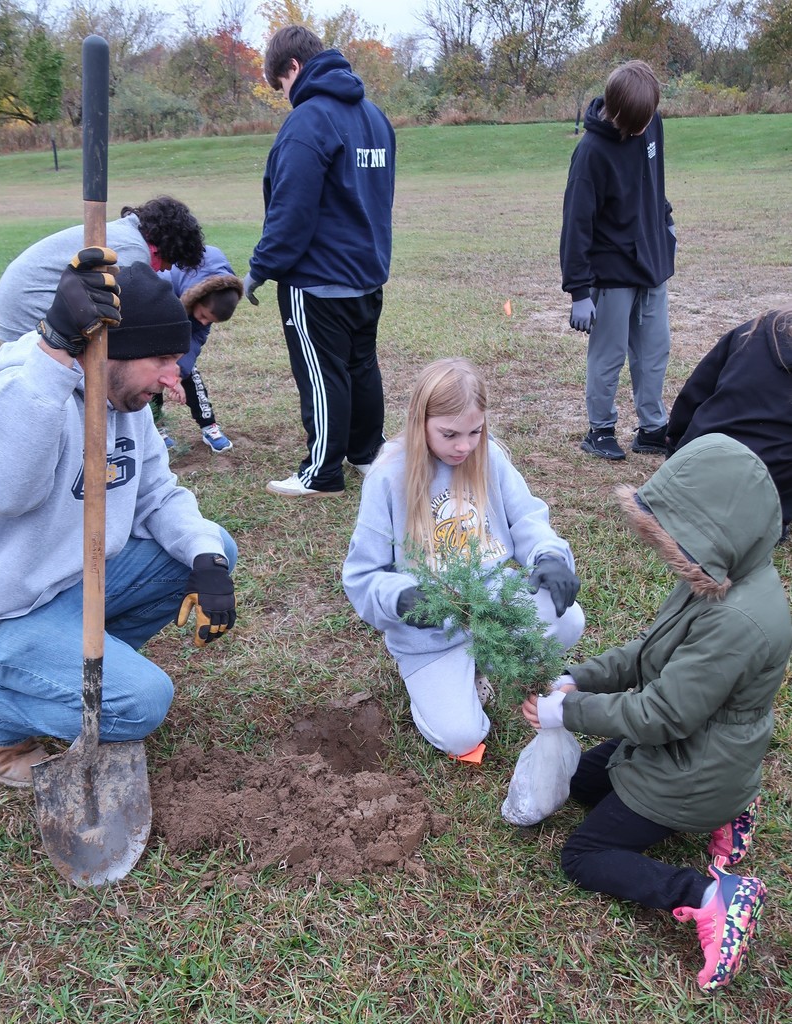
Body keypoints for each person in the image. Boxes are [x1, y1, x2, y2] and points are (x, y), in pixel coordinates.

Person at [0, 250, 237, 789]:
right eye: (160, 358)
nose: (174, 374)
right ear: (111, 351)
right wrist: (52, 352)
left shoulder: (127, 409)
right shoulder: (19, 397)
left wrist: (205, 556)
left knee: (211, 548)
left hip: (66, 586)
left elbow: (157, 494)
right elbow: (7, 495)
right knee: (140, 705)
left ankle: (65, 673)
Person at [522, 434, 791, 992]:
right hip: (699, 751)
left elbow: (660, 715)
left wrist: (568, 713)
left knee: (585, 854)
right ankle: (731, 805)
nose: (671, 551)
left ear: (719, 529)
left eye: (681, 536)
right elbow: (648, 653)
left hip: (693, 768)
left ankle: (712, 896)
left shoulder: (737, 621)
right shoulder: (717, 575)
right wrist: (581, 678)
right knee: (581, 783)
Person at [343, 358, 584, 764]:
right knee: (461, 736)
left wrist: (549, 557)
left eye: (475, 431)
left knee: (568, 617)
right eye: (449, 434)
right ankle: (439, 683)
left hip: (492, 608)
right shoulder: (388, 476)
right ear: (421, 422)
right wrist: (400, 598)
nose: (463, 446)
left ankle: (480, 664)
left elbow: (527, 519)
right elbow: (362, 574)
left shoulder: (488, 458)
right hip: (429, 635)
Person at [244, 25, 396, 497]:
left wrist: (258, 269)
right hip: (366, 275)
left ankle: (322, 472)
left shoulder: (308, 121)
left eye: (281, 84)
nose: (285, 96)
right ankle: (368, 453)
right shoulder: (374, 116)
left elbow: (290, 211)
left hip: (317, 281)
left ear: (293, 68)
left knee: (322, 372)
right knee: (360, 365)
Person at [560, 59, 677, 462]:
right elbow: (576, 224)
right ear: (619, 113)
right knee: (608, 355)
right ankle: (601, 429)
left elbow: (652, 179)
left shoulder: (651, 122)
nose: (647, 126)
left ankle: (651, 427)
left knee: (654, 349)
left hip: (653, 261)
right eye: (639, 121)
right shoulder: (591, 153)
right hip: (611, 272)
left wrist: (665, 219)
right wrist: (578, 290)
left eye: (650, 118)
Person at [0, 195, 205, 344]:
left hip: (18, 305)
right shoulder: (134, 250)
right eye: (169, 263)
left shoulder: (126, 232)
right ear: (167, 248)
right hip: (30, 310)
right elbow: (127, 319)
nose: (163, 271)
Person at [666, 305, 792, 531]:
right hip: (764, 505)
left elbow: (694, 394)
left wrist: (674, 454)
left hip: (688, 480)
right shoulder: (755, 329)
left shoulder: (755, 329)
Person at [152, 246, 244, 453]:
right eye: (202, 316)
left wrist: (178, 371)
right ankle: (156, 429)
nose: (203, 322)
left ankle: (209, 426)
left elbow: (196, 337)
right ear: (196, 300)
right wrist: (164, 366)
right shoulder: (165, 283)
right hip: (153, 328)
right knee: (150, 376)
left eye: (209, 321)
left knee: (189, 372)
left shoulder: (215, 297)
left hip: (180, 323)